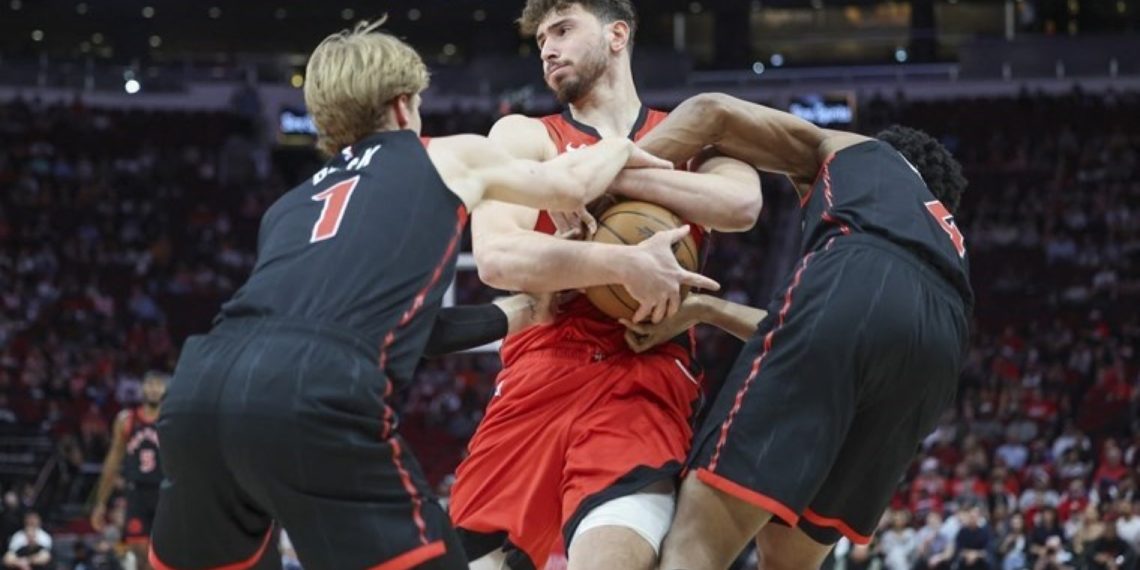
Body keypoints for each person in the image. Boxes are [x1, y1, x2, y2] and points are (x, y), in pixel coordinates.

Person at [146, 19, 708, 570]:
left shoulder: (289, 206)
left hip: (197, 392)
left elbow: (404, 327)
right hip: (312, 390)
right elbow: (572, 185)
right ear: (401, 105)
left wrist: (520, 313)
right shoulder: (445, 153)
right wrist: (616, 146)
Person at [448, 1, 762, 569]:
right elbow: (497, 258)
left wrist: (597, 176)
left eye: (564, 30)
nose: (548, 48)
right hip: (538, 369)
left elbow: (741, 203)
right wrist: (621, 264)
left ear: (617, 35)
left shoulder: (693, 138)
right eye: (542, 38)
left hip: (645, 368)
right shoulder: (525, 135)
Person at [616, 93, 972, 569]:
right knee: (789, 561)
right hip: (942, 345)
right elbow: (823, 325)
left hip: (859, 277)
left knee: (696, 544)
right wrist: (704, 309)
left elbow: (712, 112)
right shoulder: (940, 231)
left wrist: (603, 187)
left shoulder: (862, 151)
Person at [90, 371, 168, 570]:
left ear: (166, 389)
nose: (153, 389)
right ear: (142, 388)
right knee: (139, 554)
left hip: (165, 492)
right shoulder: (127, 420)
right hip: (137, 492)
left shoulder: (172, 419)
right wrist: (100, 502)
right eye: (150, 384)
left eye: (158, 385)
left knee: (163, 556)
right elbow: (112, 461)